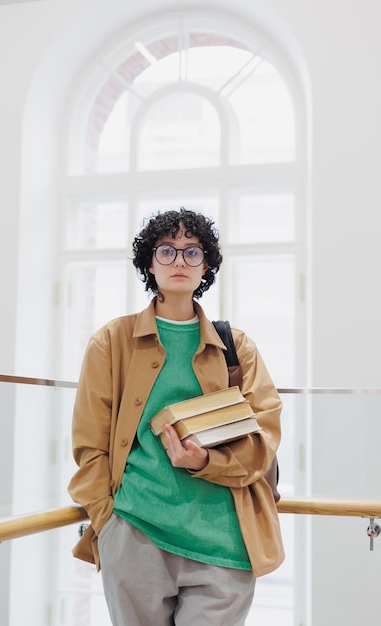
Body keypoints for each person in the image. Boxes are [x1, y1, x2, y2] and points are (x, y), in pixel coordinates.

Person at [68, 207, 284, 626]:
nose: (179, 261)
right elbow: (89, 443)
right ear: (149, 262)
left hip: (225, 542)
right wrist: (108, 522)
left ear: (206, 266)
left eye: (192, 252)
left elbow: (265, 439)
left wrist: (207, 462)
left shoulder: (237, 347)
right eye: (167, 251)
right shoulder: (112, 342)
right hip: (135, 533)